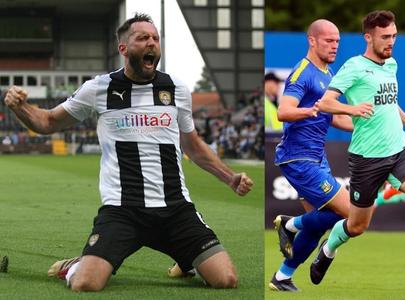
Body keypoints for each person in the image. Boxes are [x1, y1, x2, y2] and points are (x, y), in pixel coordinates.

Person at [3, 13, 253, 292]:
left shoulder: (176, 89)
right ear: (123, 48)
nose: (151, 43)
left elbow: (192, 145)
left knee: (226, 280)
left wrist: (229, 177)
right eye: (142, 38)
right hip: (123, 211)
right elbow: (47, 122)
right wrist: (19, 107)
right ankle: (75, 265)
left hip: (175, 209)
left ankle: (186, 259)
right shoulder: (99, 88)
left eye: (155, 38)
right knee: (85, 283)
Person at [311, 10, 405, 285]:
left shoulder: (391, 63)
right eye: (385, 37)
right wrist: (352, 108)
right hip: (367, 158)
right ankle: (327, 249)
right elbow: (325, 103)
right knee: (357, 226)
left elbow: (390, 103)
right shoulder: (354, 66)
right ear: (368, 37)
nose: (390, 42)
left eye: (393, 36)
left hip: (399, 150)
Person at [269, 19, 373, 292]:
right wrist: (310, 110)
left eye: (337, 41)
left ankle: (281, 277)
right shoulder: (303, 72)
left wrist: (364, 125)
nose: (334, 45)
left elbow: (335, 118)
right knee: (350, 213)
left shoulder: (328, 73)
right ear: (312, 41)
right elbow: (284, 111)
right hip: (299, 158)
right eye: (329, 40)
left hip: (317, 157)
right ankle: (290, 225)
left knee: (323, 222)